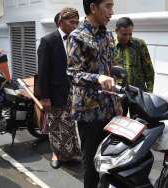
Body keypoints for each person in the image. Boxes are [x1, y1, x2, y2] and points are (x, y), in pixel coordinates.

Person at [66, 0, 122, 187]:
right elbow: (73, 73)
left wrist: (115, 72)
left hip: (111, 108)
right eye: (108, 6)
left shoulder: (108, 35)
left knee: (111, 160)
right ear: (93, 7)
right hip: (89, 112)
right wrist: (97, 78)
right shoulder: (77, 36)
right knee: (91, 165)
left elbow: (107, 65)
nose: (111, 12)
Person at [37, 8, 80, 169]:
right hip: (55, 92)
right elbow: (43, 71)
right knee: (55, 125)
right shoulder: (48, 41)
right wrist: (45, 97)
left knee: (69, 125)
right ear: (60, 22)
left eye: (77, 22)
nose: (75, 25)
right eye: (71, 22)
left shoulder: (76, 39)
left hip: (74, 92)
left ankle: (69, 155)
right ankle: (56, 154)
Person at [114, 17, 154, 116]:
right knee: (119, 124)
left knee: (139, 124)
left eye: (130, 34)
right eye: (124, 34)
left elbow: (148, 69)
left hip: (138, 93)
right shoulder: (109, 46)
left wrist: (148, 93)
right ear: (116, 31)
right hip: (118, 93)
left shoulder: (139, 44)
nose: (127, 37)